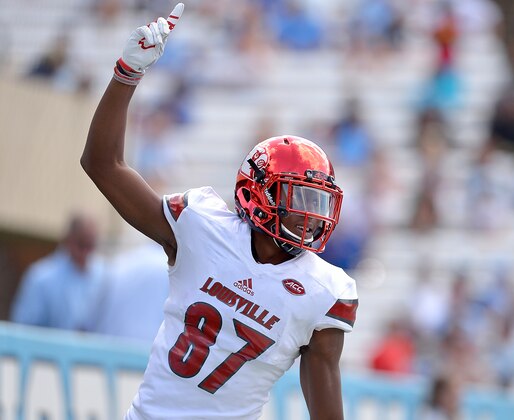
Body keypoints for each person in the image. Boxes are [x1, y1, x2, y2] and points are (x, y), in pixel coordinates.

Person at [80, 4, 358, 419]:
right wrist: (126, 74)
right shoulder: (200, 226)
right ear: (257, 191)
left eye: (317, 203)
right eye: (297, 198)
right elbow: (102, 163)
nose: (310, 216)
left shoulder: (323, 291)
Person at [10, 213, 104, 330]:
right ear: (68, 240)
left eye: (90, 246)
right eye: (81, 244)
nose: (85, 252)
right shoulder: (40, 277)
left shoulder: (103, 276)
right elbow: (23, 326)